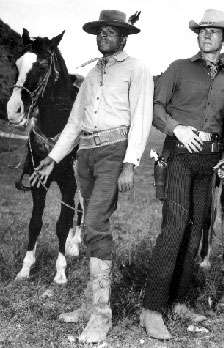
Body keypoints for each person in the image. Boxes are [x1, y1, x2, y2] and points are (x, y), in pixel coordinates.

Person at [31, 10, 153, 343]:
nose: (104, 37)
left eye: (111, 33)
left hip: (114, 152)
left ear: (124, 38)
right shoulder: (90, 75)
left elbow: (142, 116)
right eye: (100, 33)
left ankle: (101, 316)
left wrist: (130, 163)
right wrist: (52, 159)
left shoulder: (136, 68)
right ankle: (89, 303)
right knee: (87, 226)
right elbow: (74, 123)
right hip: (85, 154)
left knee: (96, 224)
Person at [140, 9, 224, 339]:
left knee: (195, 233)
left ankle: (178, 301)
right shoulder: (178, 68)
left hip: (209, 163)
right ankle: (152, 309)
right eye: (203, 30)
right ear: (197, 36)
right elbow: (155, 108)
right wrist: (176, 128)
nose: (207, 34)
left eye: (214, 31)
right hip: (180, 156)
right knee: (173, 229)